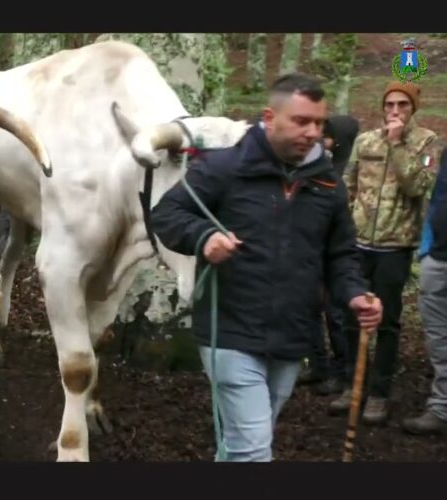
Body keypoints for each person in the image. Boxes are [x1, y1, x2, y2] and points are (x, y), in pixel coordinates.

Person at [149, 73, 382, 462]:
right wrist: (204, 238)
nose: (312, 132)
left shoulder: (327, 185)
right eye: (301, 121)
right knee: (254, 451)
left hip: (292, 335)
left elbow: (340, 256)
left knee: (241, 444)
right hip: (230, 332)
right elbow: (167, 214)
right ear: (270, 117)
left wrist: (356, 294)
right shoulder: (224, 167)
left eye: (319, 123)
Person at [329, 81, 441, 424]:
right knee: (351, 315)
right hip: (360, 242)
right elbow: (350, 185)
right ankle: (351, 384)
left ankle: (378, 392)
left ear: (413, 109)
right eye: (390, 104)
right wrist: (345, 227)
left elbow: (417, 185)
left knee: (388, 322)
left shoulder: (427, 143)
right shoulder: (366, 141)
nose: (394, 111)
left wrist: (398, 145)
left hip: (396, 245)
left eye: (402, 105)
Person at [299, 114, 361, 395]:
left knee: (335, 314)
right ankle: (318, 363)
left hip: (332, 253)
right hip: (312, 250)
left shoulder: (341, 172)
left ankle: (340, 369)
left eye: (328, 135)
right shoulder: (318, 165)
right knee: (311, 310)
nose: (321, 140)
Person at [402, 145, 447, 435]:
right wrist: (427, 249)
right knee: (439, 340)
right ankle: (442, 408)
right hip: (438, 259)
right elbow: (438, 198)